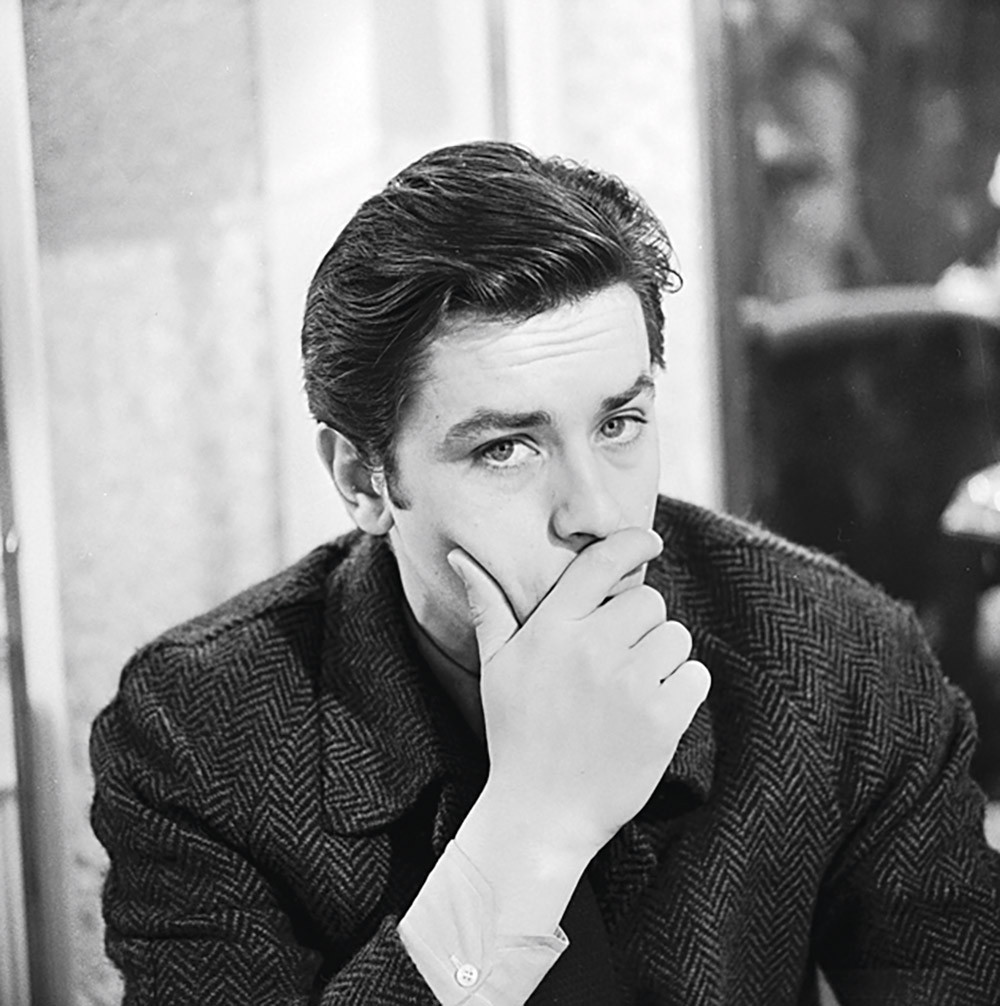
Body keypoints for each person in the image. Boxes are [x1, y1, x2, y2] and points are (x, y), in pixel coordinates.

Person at [91, 141, 1000, 1005]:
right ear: (364, 481)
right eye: (506, 448)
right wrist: (533, 826)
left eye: (618, 424)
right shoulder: (198, 732)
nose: (596, 512)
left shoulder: (835, 655)